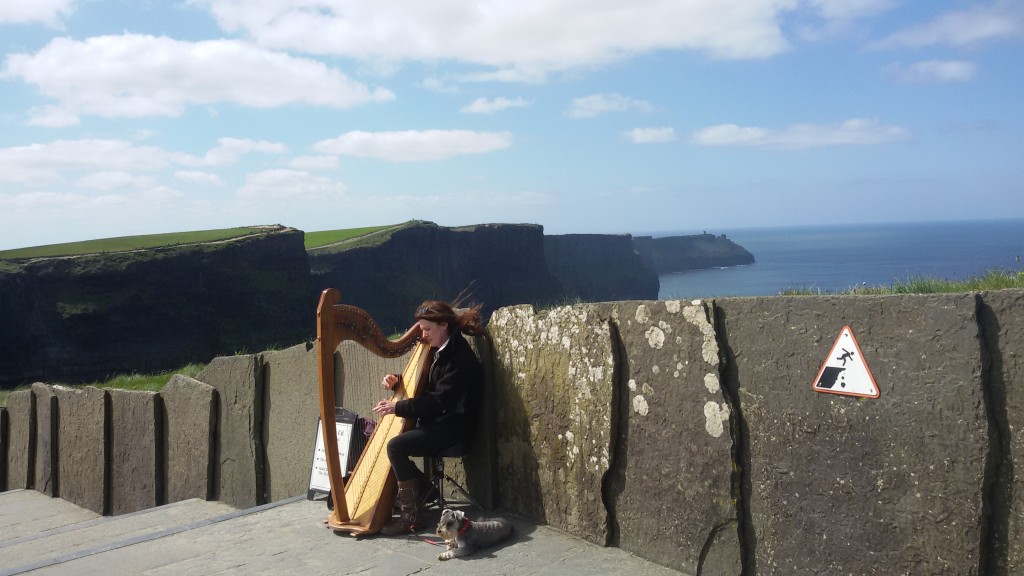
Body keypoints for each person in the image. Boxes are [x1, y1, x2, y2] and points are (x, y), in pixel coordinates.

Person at [371, 299, 484, 535]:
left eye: (427, 329)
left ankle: (412, 516)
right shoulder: (436, 350)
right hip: (438, 421)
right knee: (385, 439)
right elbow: (424, 383)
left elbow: (438, 401)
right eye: (421, 329)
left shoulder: (459, 357)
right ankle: (425, 490)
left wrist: (397, 407)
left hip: (454, 425)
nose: (422, 335)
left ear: (444, 324)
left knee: (395, 446)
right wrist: (396, 381)